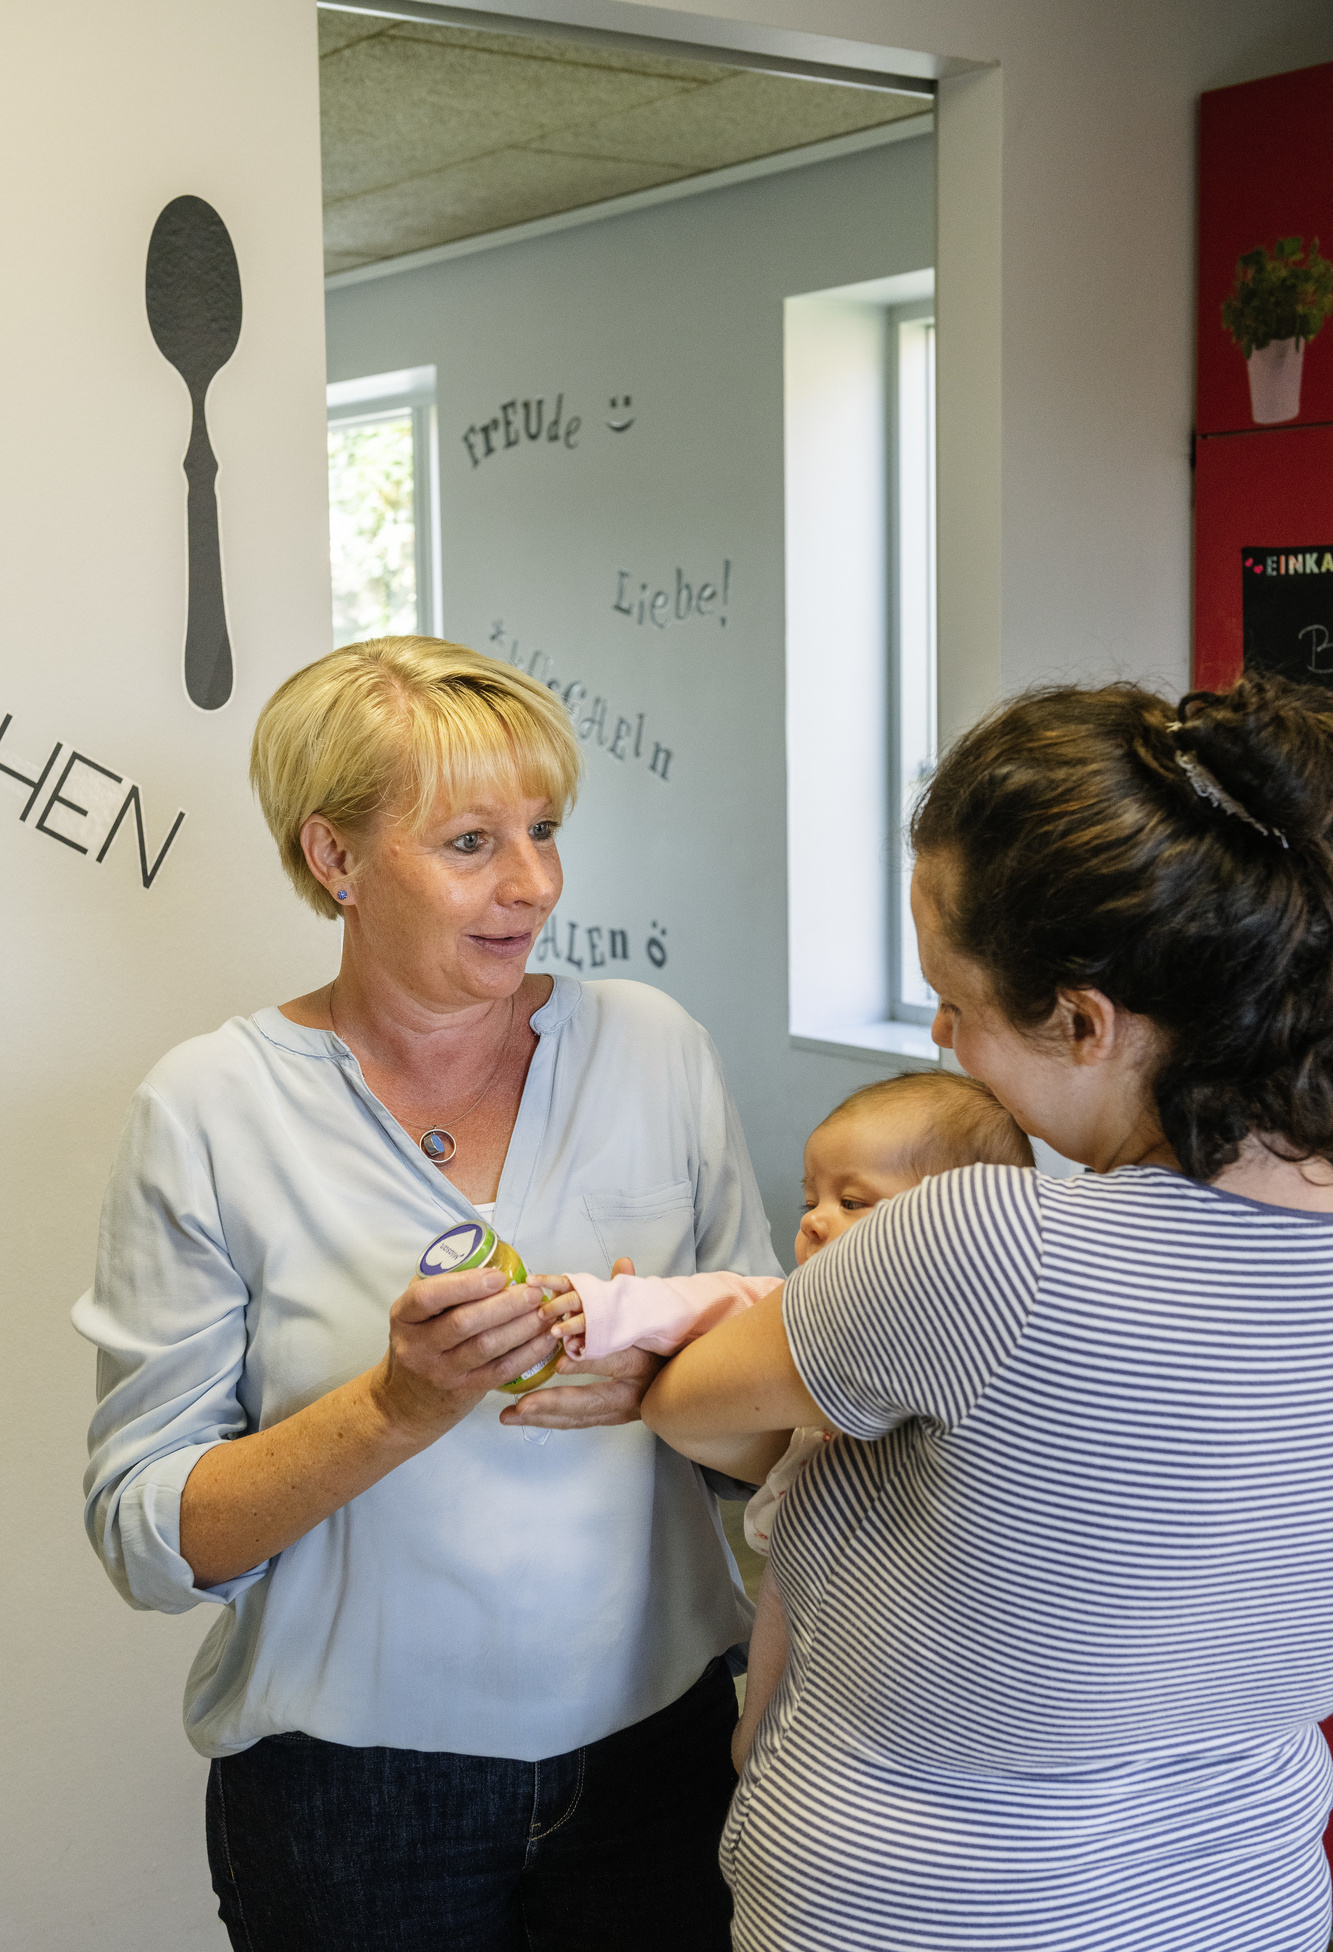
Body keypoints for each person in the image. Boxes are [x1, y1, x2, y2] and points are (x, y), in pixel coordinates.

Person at [72, 635, 779, 1952]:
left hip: (663, 1762)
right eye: (469, 843)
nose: (533, 885)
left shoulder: (655, 1051)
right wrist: (398, 1406)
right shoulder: (211, 1106)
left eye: (545, 830)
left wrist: (668, 1385)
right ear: (333, 858)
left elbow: (783, 1441)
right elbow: (150, 1538)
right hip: (350, 1800)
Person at [644, 673, 1333, 1952]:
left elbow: (689, 1398)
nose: (947, 1036)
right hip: (1247, 1895)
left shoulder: (994, 1248)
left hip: (938, 1908)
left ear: (1085, 1021)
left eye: (954, 1002)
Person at [542, 1071, 1033, 1770]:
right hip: (803, 1555)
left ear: (949, 1228)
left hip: (917, 1583)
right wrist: (605, 1308)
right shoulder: (800, 1311)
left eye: (853, 1201)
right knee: (773, 1697)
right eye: (813, 1199)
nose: (812, 1218)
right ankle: (757, 1755)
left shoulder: (980, 1336)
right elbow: (711, 1302)